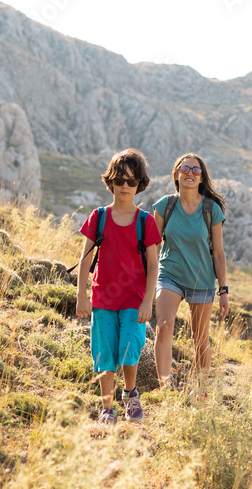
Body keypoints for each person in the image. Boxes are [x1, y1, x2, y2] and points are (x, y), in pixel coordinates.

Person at [75, 148, 161, 425]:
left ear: (140, 185)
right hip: (102, 298)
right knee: (104, 353)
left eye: (132, 181)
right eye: (120, 180)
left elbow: (153, 265)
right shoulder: (98, 217)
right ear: (110, 181)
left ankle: (131, 395)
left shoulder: (145, 222)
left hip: (134, 300)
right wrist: (81, 296)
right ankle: (106, 408)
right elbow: (84, 260)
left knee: (129, 349)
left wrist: (149, 301)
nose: (125, 186)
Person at [152, 152, 229, 392]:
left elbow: (218, 253)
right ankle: (166, 387)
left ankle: (203, 391)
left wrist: (223, 290)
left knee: (200, 340)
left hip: (201, 279)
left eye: (196, 170)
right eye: (185, 169)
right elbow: (153, 246)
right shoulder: (165, 205)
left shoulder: (211, 209)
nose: (190, 174)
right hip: (169, 274)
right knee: (163, 327)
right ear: (176, 174)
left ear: (202, 178)